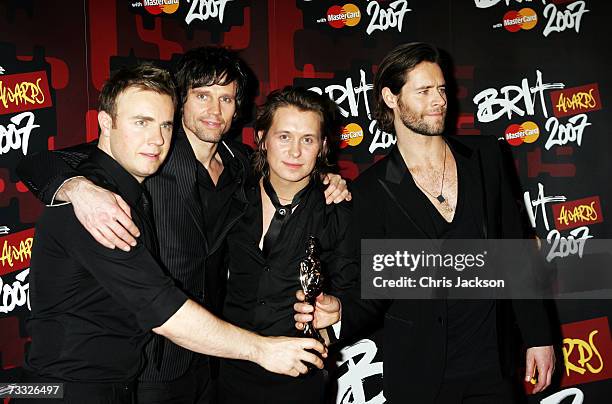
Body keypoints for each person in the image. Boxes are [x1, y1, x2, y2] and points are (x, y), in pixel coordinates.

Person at [16, 47, 349, 403]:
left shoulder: (239, 165)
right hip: (146, 361)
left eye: (226, 99)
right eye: (202, 95)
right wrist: (76, 188)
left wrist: (326, 178)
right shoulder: (147, 155)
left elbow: (289, 161)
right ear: (181, 101)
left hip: (211, 358)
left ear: (239, 109)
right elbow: (40, 163)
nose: (214, 110)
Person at [294, 42, 556, 404]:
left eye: (442, 89)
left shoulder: (486, 157)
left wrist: (538, 336)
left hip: (492, 369)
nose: (440, 101)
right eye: (424, 91)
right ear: (390, 97)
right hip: (422, 376)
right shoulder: (371, 191)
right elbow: (372, 290)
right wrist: (340, 315)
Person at [216, 87, 358, 404]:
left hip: (299, 377)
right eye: (284, 137)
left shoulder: (339, 208)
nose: (295, 152)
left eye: (307, 140)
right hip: (228, 370)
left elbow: (359, 290)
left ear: (322, 147)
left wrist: (333, 318)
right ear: (263, 138)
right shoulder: (230, 196)